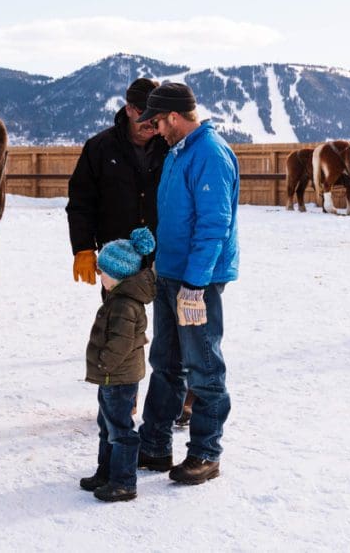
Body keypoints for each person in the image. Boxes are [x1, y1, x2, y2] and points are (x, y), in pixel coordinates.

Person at [133, 82, 239, 485]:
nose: (156, 129)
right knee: (165, 363)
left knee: (204, 366)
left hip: (199, 282)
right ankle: (156, 445)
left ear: (175, 117)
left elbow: (214, 225)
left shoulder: (210, 154)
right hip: (172, 274)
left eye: (158, 121)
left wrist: (195, 284)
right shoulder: (180, 153)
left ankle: (206, 453)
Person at [66, 77, 168, 295]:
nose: (150, 122)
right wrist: (83, 247)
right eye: (143, 113)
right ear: (129, 109)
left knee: (169, 326)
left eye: (156, 116)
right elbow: (81, 202)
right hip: (118, 258)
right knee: (119, 325)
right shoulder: (99, 148)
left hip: (165, 255)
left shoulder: (170, 147)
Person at [80, 227, 156, 503]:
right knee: (107, 425)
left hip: (117, 377)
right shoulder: (118, 299)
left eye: (102, 272)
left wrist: (103, 364)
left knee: (121, 430)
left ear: (117, 274)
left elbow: (120, 344)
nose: (100, 277)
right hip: (111, 378)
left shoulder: (125, 305)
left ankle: (123, 482)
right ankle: (106, 472)